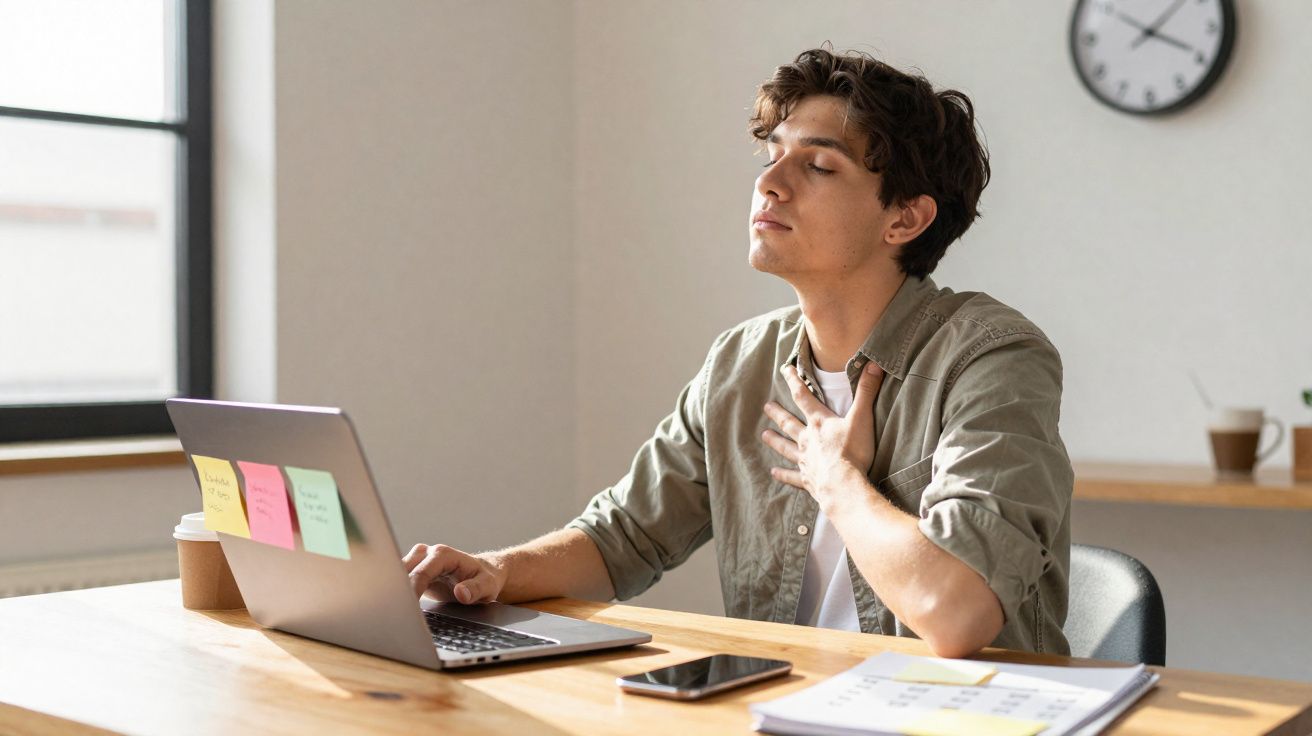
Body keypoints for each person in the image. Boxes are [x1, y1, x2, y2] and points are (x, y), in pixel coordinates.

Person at [405, 47, 1074, 657]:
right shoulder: (741, 363)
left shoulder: (993, 357)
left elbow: (956, 614)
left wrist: (838, 480)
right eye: (771, 157)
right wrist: (496, 572)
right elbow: (625, 538)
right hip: (782, 709)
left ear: (904, 219)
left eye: (817, 165)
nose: (770, 183)